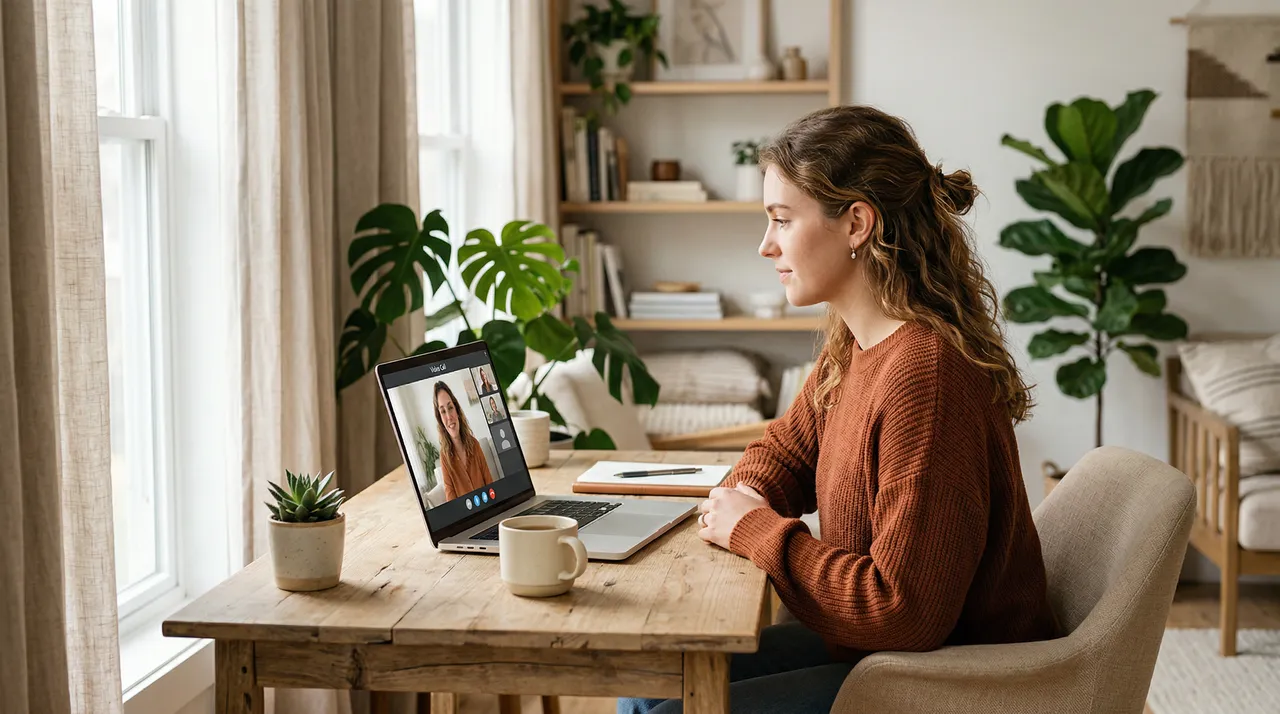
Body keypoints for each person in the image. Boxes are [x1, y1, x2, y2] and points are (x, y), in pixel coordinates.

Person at [619, 106, 1058, 714]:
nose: (766, 245)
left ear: (856, 223)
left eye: (781, 219)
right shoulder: (856, 344)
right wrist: (747, 495)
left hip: (953, 680)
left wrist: (754, 529)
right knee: (647, 678)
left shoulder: (925, 377)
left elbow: (903, 611)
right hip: (875, 653)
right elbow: (786, 451)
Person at [434, 381, 491, 501]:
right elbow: (452, 501)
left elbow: (489, 484)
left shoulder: (474, 444)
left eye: (450, 407)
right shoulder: (445, 457)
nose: (449, 417)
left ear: (457, 411)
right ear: (440, 419)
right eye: (443, 411)